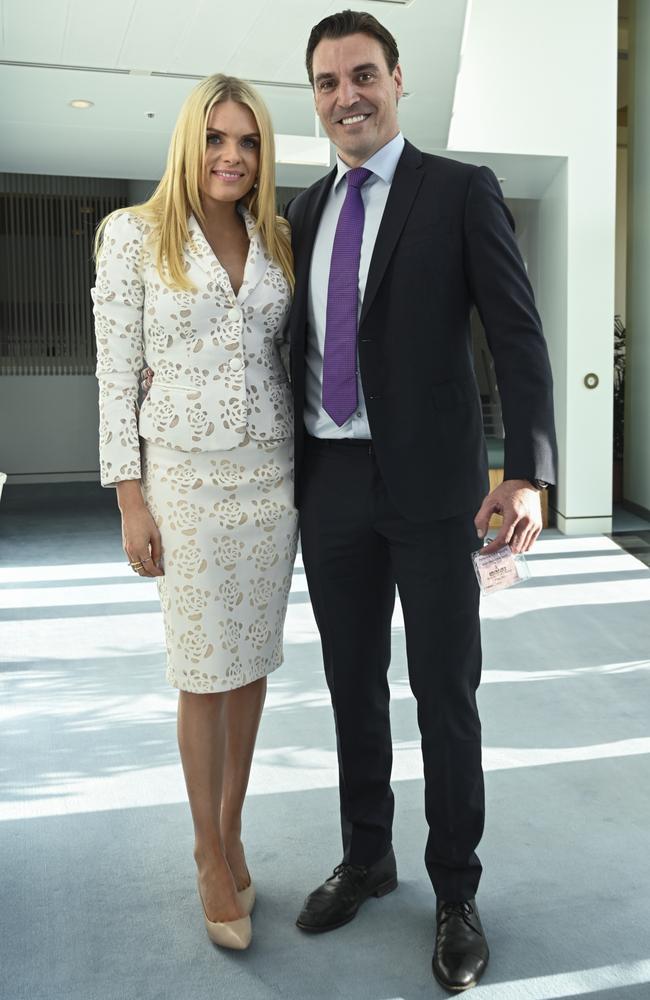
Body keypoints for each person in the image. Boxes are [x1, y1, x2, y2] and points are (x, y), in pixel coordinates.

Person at [286, 10, 557, 993]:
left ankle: (454, 891)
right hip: (331, 485)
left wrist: (524, 468)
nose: (345, 95)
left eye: (362, 74)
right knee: (350, 687)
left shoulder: (457, 191)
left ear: (397, 81)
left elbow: (516, 335)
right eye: (325, 82)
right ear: (313, 98)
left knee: (443, 695)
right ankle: (368, 855)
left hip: (438, 491)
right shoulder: (305, 212)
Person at [92, 74, 297, 952]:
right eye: (217, 138)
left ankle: (235, 824)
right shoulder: (134, 237)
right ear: (189, 142)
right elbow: (113, 373)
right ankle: (208, 852)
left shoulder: (276, 235)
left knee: (250, 667)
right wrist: (130, 498)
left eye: (248, 143)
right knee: (203, 670)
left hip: (272, 474)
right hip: (182, 479)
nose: (232, 157)